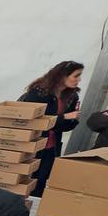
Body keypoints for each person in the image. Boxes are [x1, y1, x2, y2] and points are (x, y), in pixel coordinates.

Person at [19, 61, 83, 196]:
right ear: (63, 75)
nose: (79, 80)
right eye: (76, 76)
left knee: (41, 182)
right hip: (32, 144)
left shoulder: (72, 96)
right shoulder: (39, 92)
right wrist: (64, 116)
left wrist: (73, 120)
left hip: (51, 146)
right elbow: (34, 119)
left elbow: (62, 126)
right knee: (24, 179)